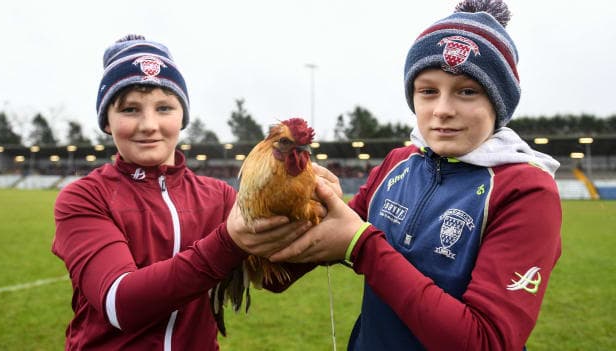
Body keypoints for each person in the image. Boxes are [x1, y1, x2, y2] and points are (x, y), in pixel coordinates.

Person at [270, 1, 562, 350]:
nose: (442, 109)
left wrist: (363, 247)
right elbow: (308, 253)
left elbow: (486, 342)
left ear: (499, 103)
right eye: (427, 91)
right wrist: (282, 216)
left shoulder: (527, 190)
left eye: (467, 91)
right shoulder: (398, 162)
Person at [52, 34, 315, 350]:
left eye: (164, 108)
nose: (149, 125)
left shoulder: (218, 196)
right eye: (130, 110)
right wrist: (229, 242)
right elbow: (119, 303)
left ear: (182, 117)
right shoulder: (84, 197)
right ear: (107, 121)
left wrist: (327, 225)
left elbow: (272, 277)